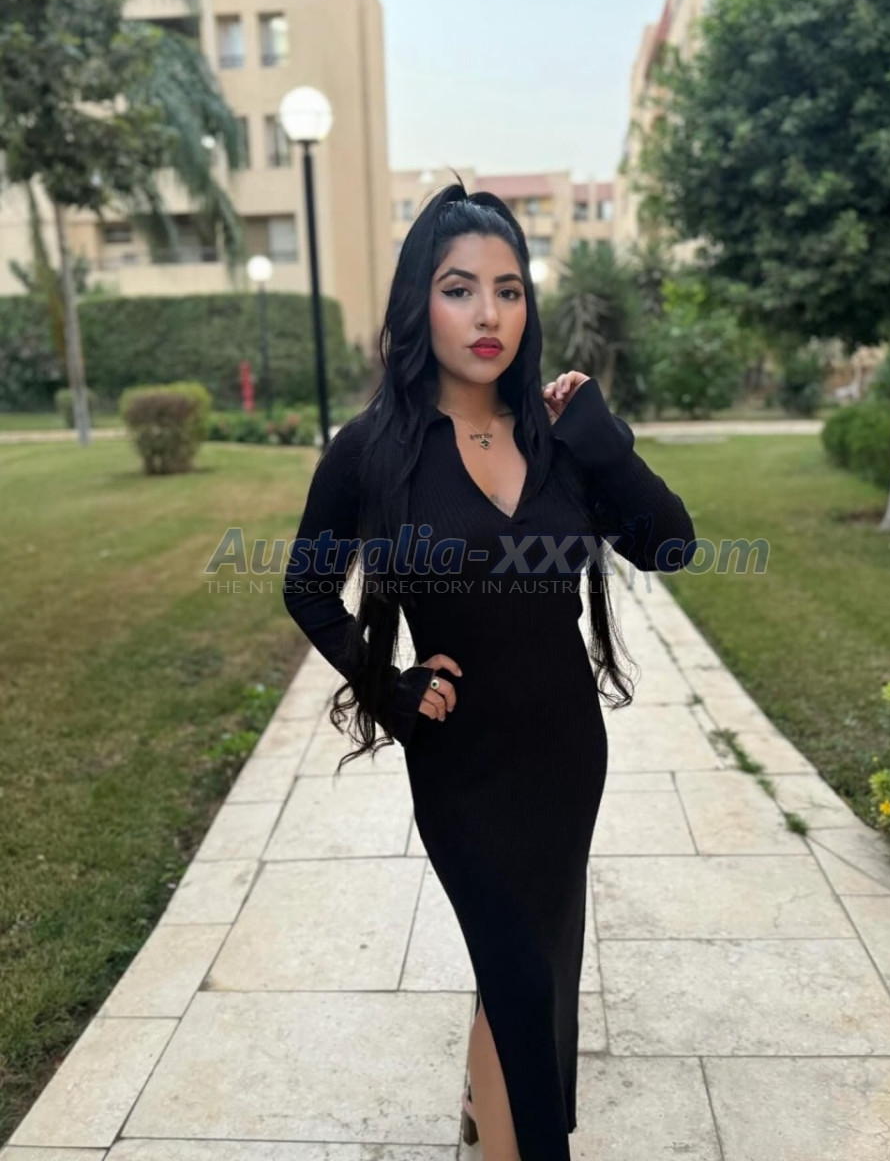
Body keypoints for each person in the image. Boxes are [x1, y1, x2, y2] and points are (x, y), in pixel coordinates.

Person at [282, 177, 697, 1161]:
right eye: (460, 289)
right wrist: (384, 684)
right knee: (518, 970)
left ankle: (486, 1105)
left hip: (565, 754)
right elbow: (307, 588)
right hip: (463, 767)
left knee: (531, 966)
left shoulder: (560, 437)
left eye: (509, 290)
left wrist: (606, 440)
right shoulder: (372, 450)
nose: (488, 315)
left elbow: (670, 546)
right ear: (419, 303)